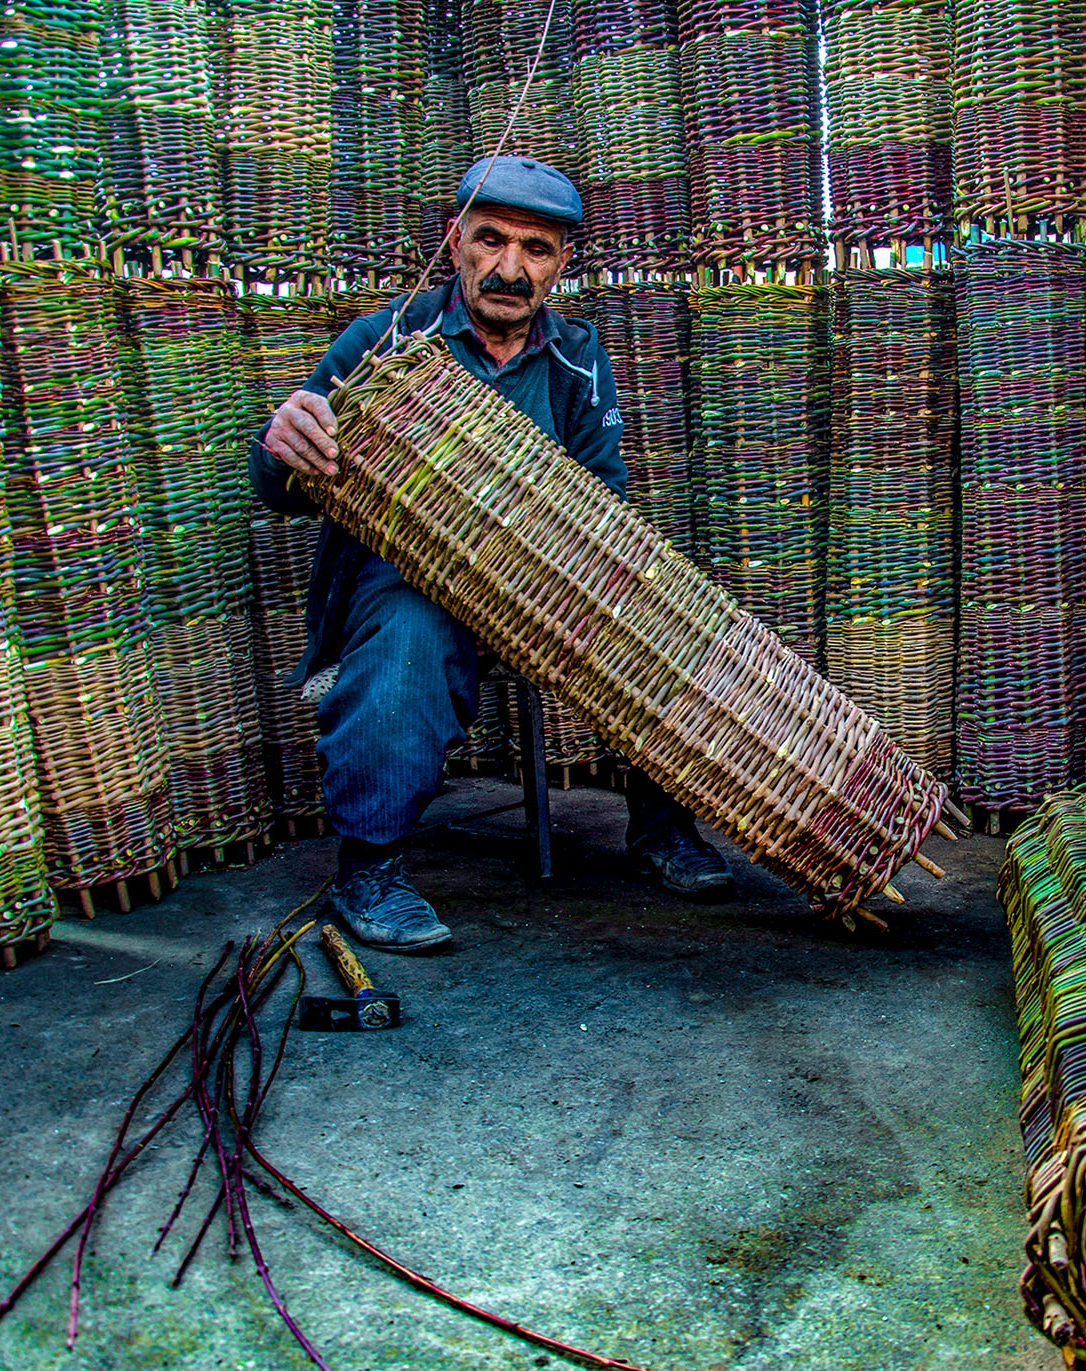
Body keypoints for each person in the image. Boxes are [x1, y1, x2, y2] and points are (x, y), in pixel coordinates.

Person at [248, 154, 732, 953]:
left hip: (537, 585)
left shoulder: (577, 356)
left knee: (664, 612)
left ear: (562, 262)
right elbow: (284, 483)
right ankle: (368, 867)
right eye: (491, 240)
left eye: (536, 249)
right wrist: (282, 443)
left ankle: (661, 829)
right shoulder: (387, 339)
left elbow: (603, 496)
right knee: (412, 633)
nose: (510, 267)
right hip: (409, 578)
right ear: (456, 241)